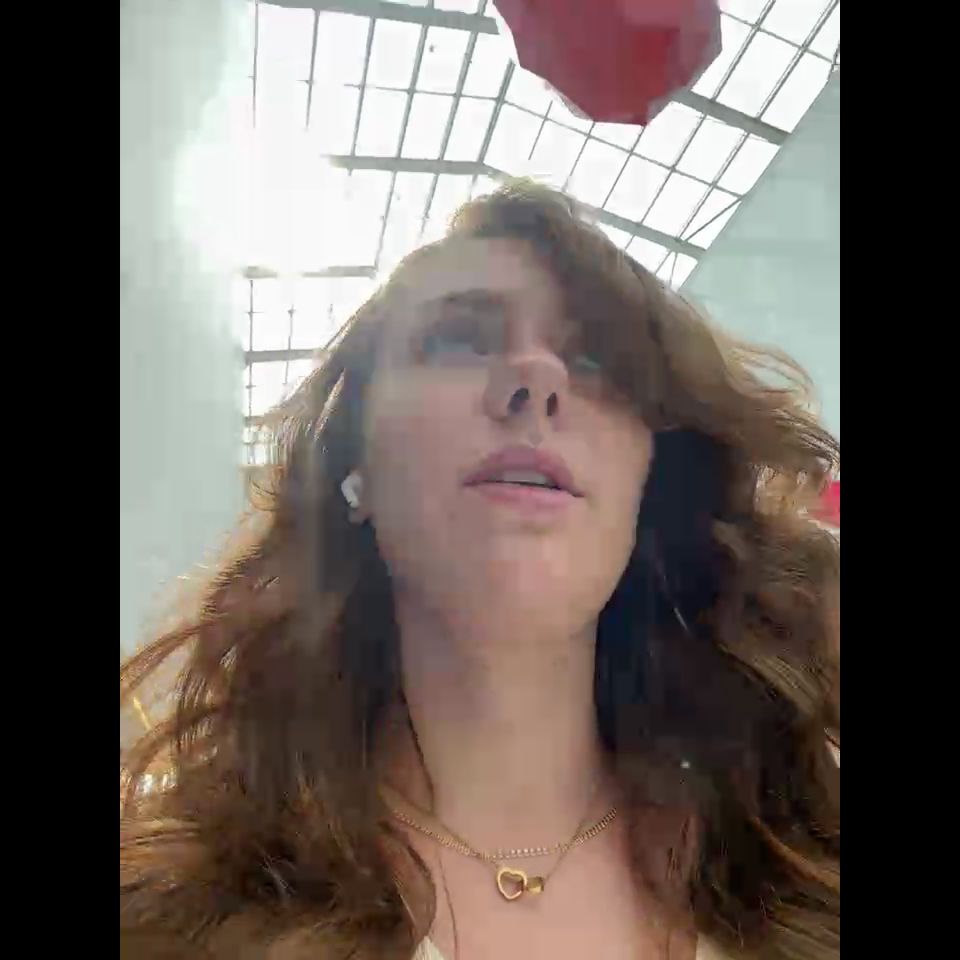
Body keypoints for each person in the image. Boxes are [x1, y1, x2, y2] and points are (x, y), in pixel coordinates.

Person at [120, 182, 840, 960]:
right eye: (458, 339)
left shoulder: (802, 852)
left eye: (597, 358)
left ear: (649, 485)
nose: (537, 374)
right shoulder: (168, 912)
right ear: (354, 468)